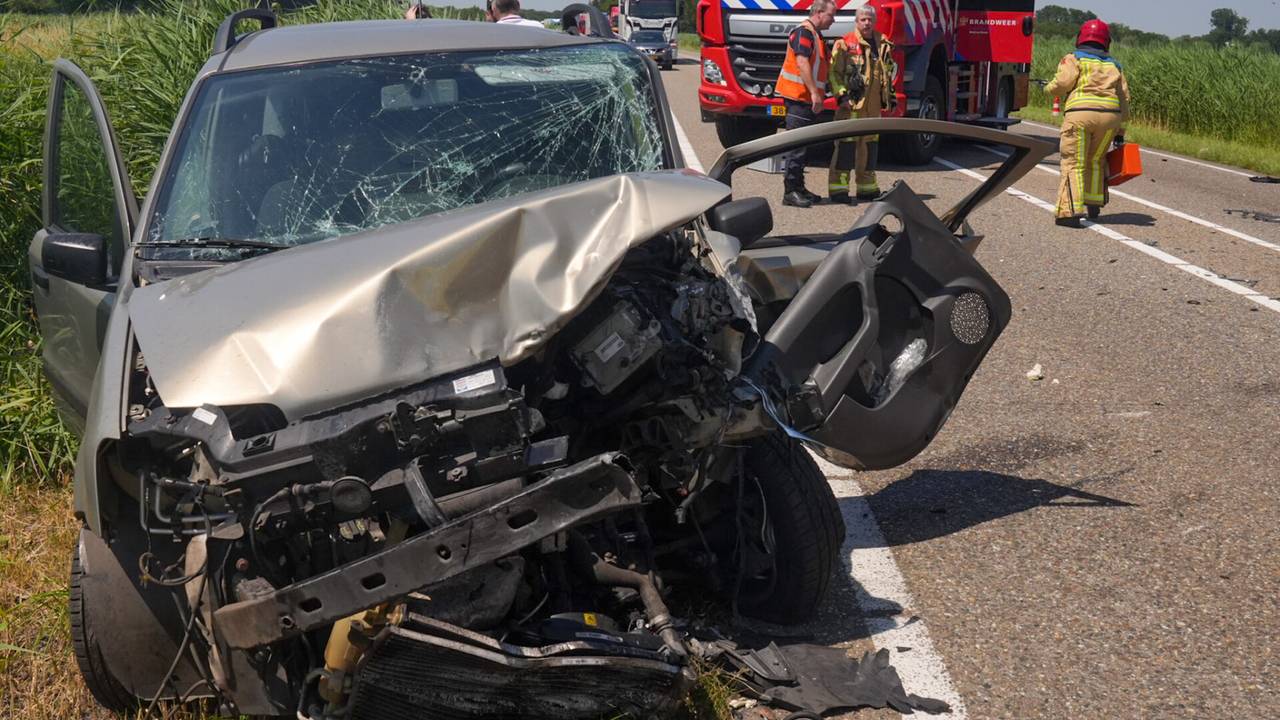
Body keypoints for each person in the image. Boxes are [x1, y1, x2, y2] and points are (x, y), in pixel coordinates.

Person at [1045, 18, 1130, 227]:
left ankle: (1069, 213)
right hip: (1110, 118)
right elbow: (1124, 98)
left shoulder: (1073, 59)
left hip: (1080, 115)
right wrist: (1120, 129)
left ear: (1080, 38)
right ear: (1106, 42)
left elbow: (1063, 83)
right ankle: (1093, 202)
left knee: (1073, 161)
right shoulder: (1114, 65)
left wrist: (1048, 88)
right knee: (1096, 160)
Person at [827, 4, 896, 204]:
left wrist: (889, 99)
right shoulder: (844, 43)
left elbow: (887, 74)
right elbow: (833, 73)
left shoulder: (883, 43)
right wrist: (842, 96)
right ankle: (838, 190)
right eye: (863, 19)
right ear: (856, 21)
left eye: (870, 19)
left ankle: (867, 189)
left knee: (870, 147)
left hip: (873, 107)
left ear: (875, 22)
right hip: (851, 106)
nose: (867, 23)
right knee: (845, 148)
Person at [774, 0, 836, 208]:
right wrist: (813, 93)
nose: (833, 20)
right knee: (797, 147)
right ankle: (790, 192)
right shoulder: (804, 33)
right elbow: (801, 62)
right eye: (831, 15)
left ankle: (799, 188)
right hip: (799, 97)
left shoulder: (814, 34)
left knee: (803, 146)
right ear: (819, 13)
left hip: (804, 98)